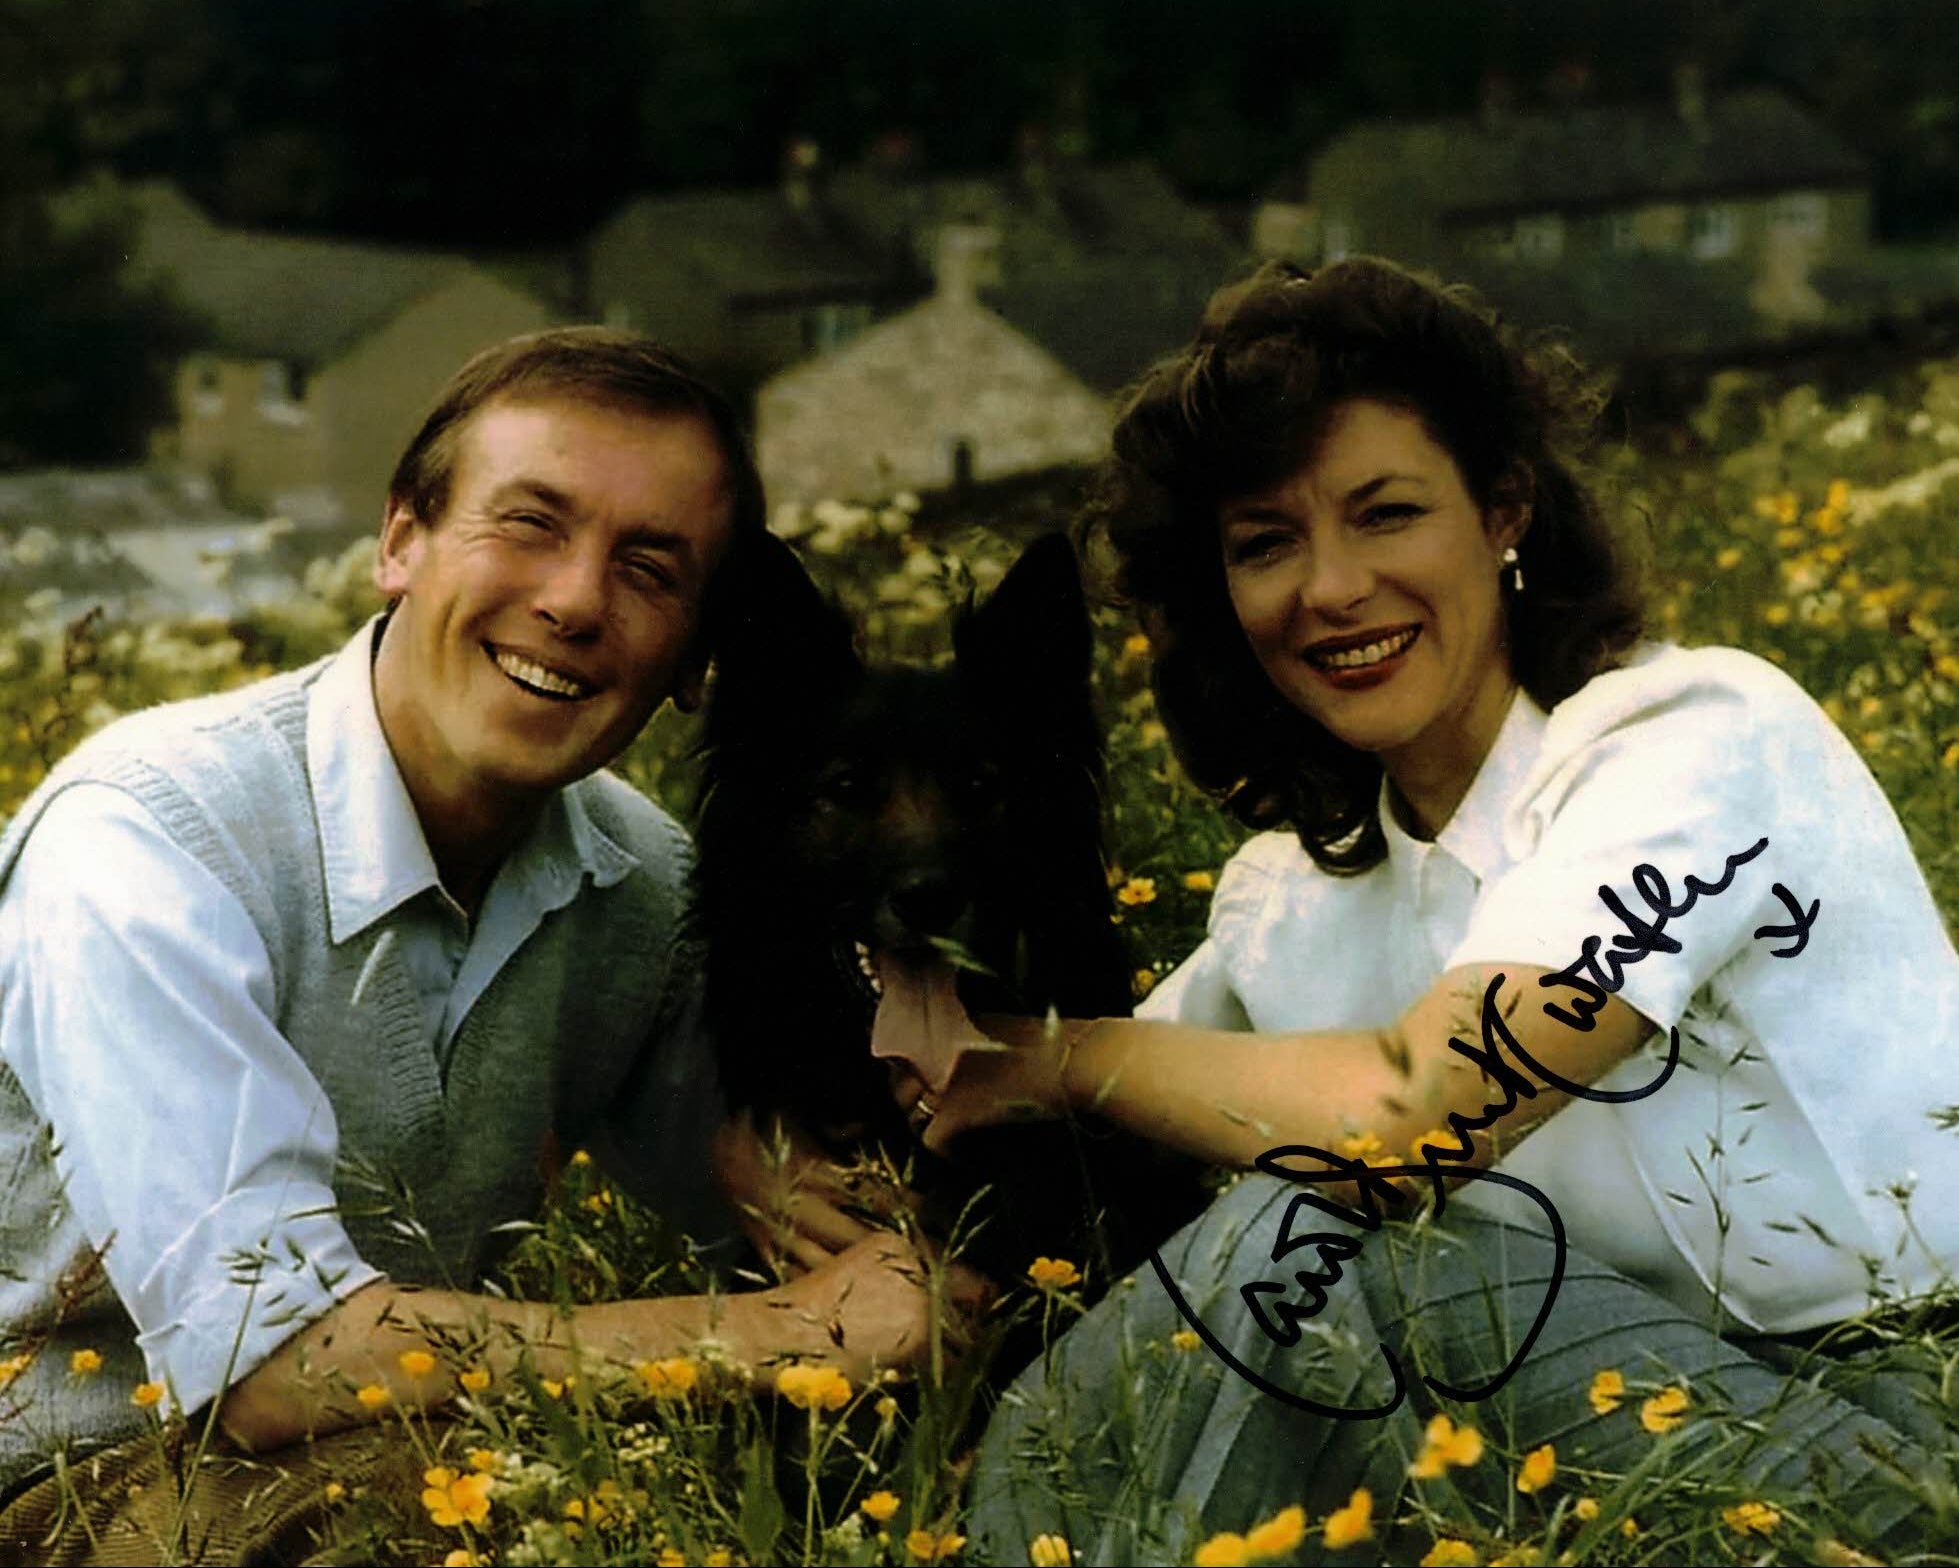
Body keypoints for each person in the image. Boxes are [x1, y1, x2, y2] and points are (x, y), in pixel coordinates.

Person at [892, 258, 1959, 1563]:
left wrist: (1057, 1057)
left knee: (1321, 1230)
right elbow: (1100, 1155)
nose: (1330, 588)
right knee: (1094, 1382)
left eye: (1384, 513)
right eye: (1264, 544)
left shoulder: (1696, 738)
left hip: (1901, 1430)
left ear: (1504, 509)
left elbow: (1403, 1120)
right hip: (1604, 1456)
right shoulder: (1290, 897)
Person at [0, 328, 963, 1564]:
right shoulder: (152, 838)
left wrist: (810, 1184)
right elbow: (272, 1360)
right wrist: (787, 1330)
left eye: (650, 569)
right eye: (529, 523)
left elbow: (804, 1198)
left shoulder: (640, 881)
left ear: (695, 662)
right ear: (399, 540)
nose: (574, 601)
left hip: (383, 1443)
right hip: (55, 1472)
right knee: (483, 1506)